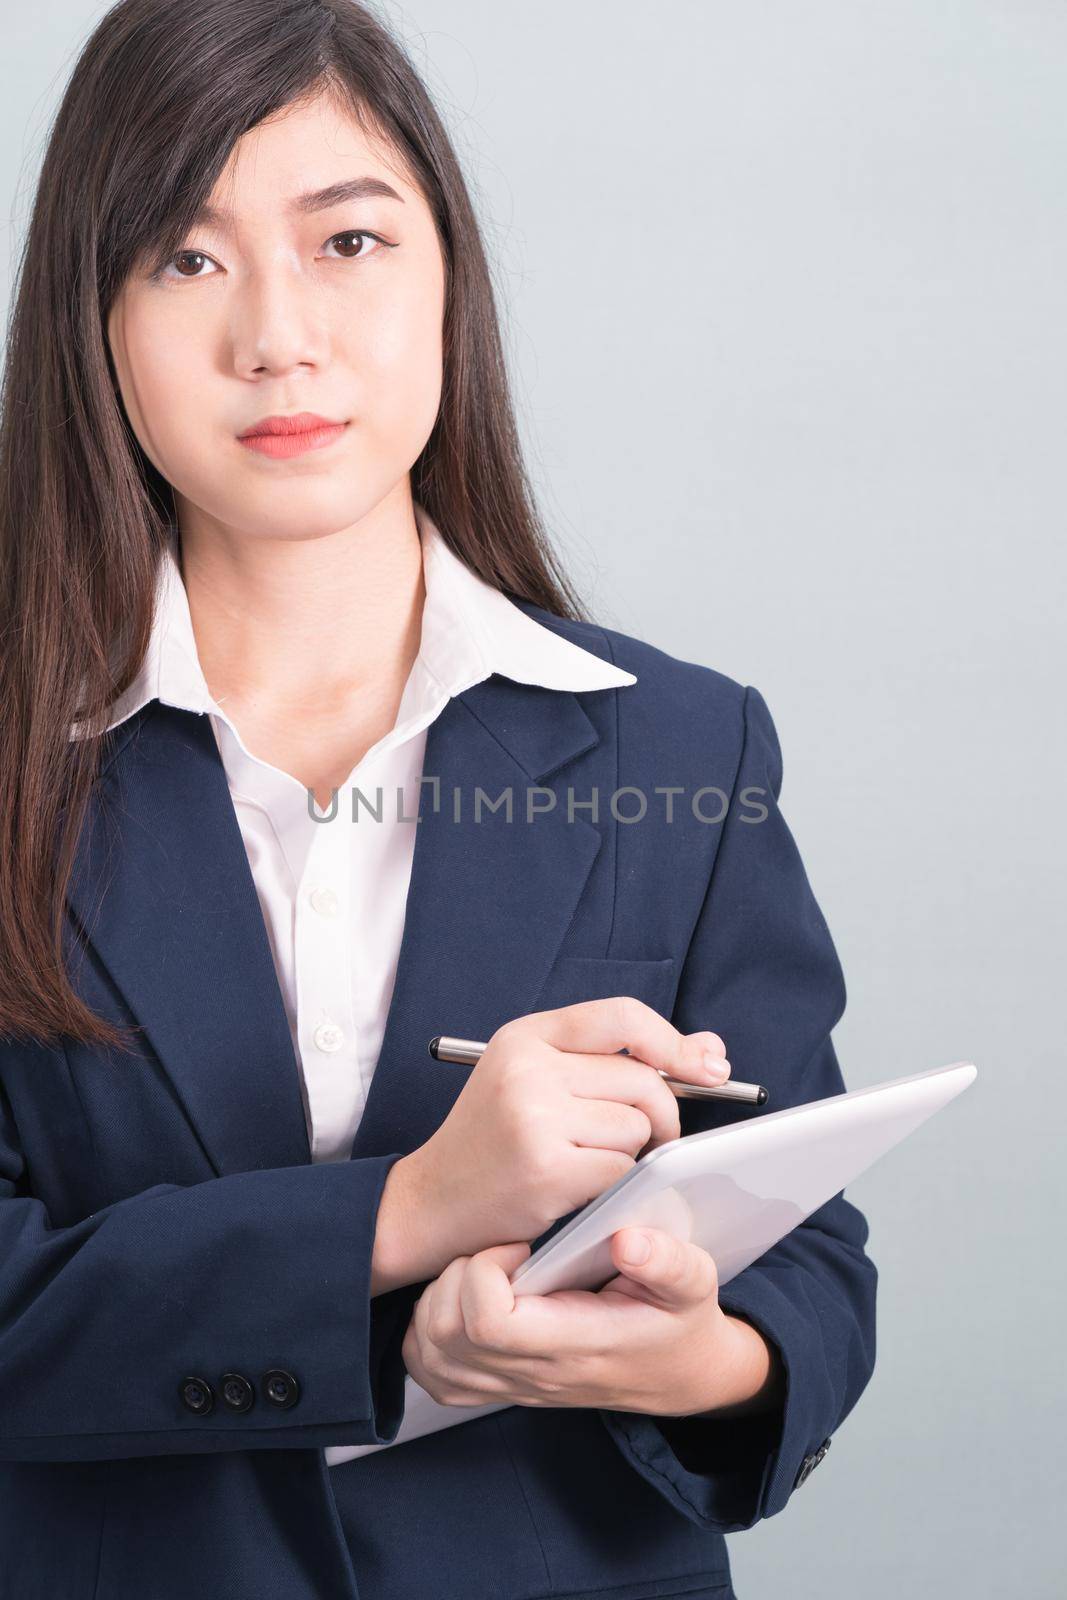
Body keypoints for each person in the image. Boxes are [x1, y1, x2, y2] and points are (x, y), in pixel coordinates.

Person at [0, 3, 878, 1597]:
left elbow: (810, 1260)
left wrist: (687, 1359)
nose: (277, 335)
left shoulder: (678, 746)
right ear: (91, 319)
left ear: (447, 279)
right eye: (185, 261)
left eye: (346, 241)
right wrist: (408, 1215)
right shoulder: (12, 761)